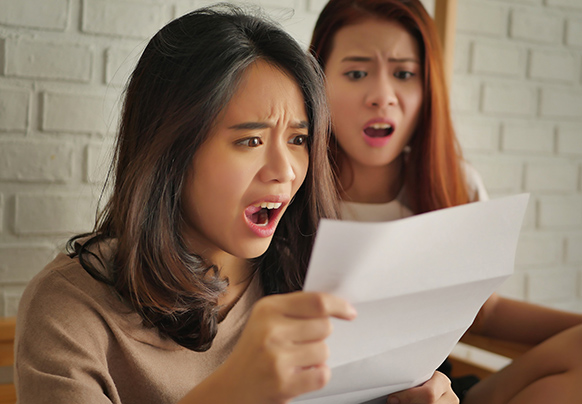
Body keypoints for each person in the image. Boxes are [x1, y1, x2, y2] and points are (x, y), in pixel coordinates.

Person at [14, 4, 455, 404]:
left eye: (298, 140)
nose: (284, 170)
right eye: (250, 140)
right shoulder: (70, 311)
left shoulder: (314, 283)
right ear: (171, 151)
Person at [309, 0, 582, 403]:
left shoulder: (453, 182)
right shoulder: (288, 187)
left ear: (428, 87)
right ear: (318, 82)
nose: (382, 96)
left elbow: (483, 313)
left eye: (404, 74)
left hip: (437, 392)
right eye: (356, 72)